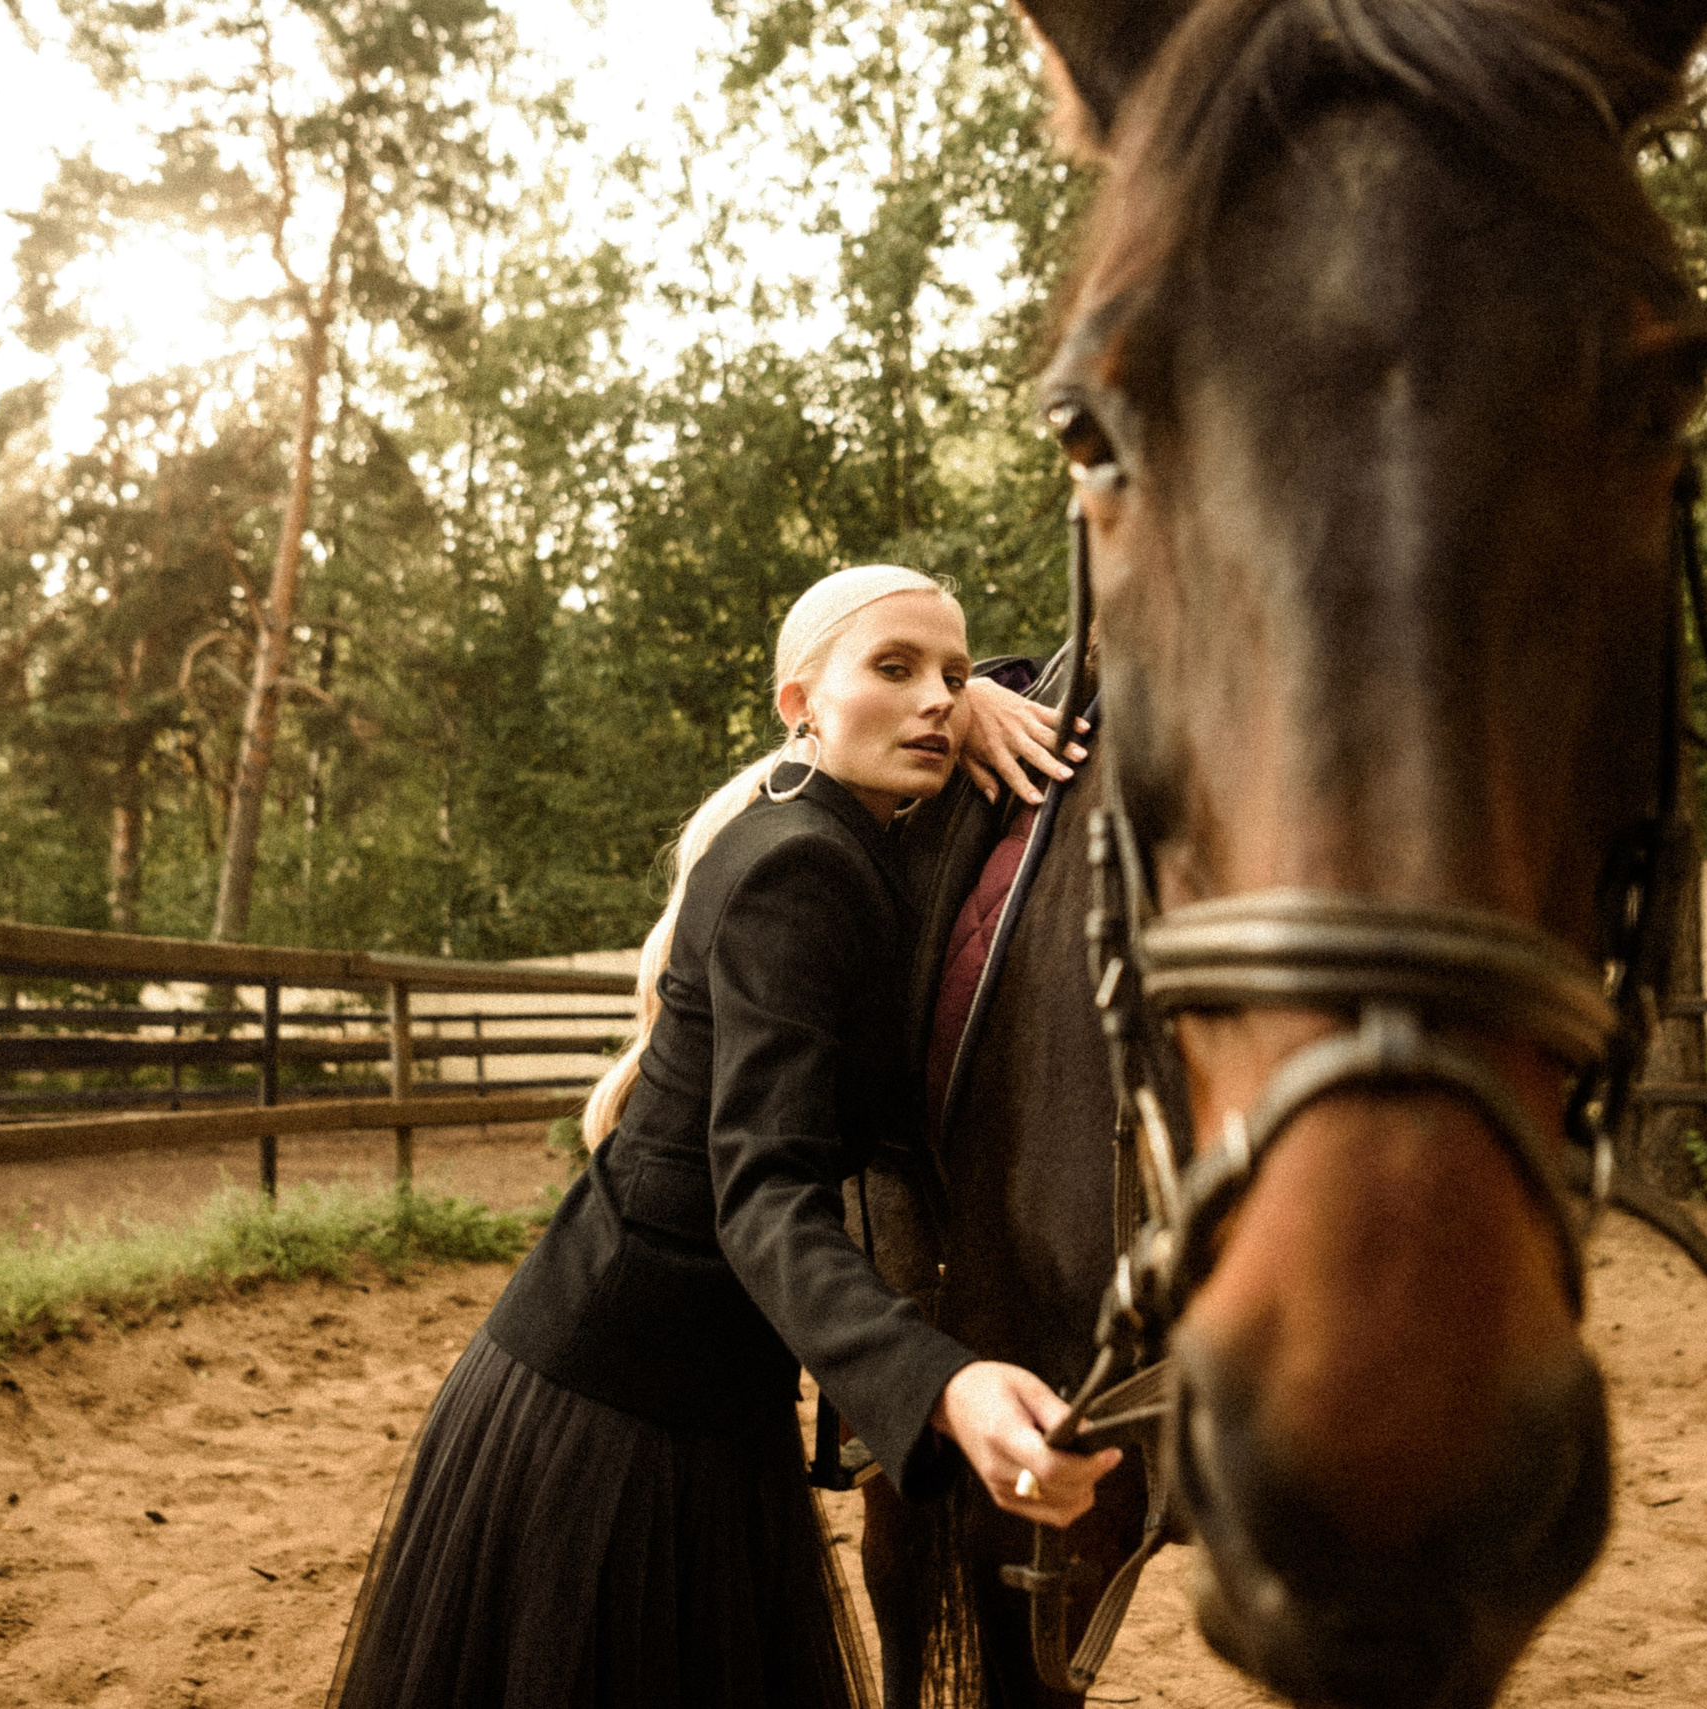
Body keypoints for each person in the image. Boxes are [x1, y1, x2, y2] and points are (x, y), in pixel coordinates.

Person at [326, 564, 1116, 1709]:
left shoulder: (832, 835)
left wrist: (978, 687)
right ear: (800, 702)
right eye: (891, 669)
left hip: (700, 1402)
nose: (933, 699)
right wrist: (942, 1386)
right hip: (618, 1415)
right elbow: (763, 1197)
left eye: (948, 673)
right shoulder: (799, 871)